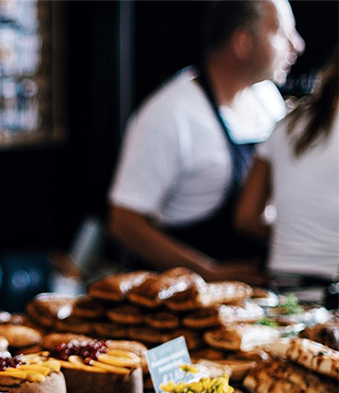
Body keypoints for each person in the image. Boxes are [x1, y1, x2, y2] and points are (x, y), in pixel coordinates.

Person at [108, 0, 304, 284]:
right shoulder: (170, 114)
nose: (297, 45)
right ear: (242, 42)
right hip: (184, 302)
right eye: (282, 33)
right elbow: (124, 223)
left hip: (256, 295)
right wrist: (208, 273)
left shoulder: (267, 100)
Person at [235, 48, 339, 293]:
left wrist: (295, 235)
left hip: (282, 292)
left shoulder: (286, 124)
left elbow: (247, 217)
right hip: (333, 298)